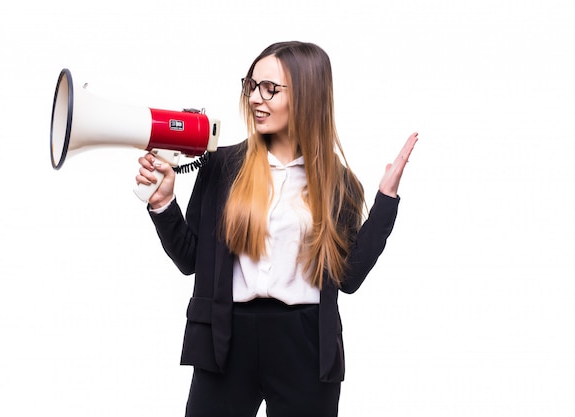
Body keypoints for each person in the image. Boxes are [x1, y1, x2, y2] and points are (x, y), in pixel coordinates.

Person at [135, 41, 418, 417]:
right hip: (226, 337)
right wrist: (163, 203)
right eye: (251, 86)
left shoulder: (338, 183)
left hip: (305, 343)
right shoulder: (222, 166)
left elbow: (348, 278)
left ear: (306, 95)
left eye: (270, 89)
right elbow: (191, 260)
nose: (255, 98)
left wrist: (385, 200)